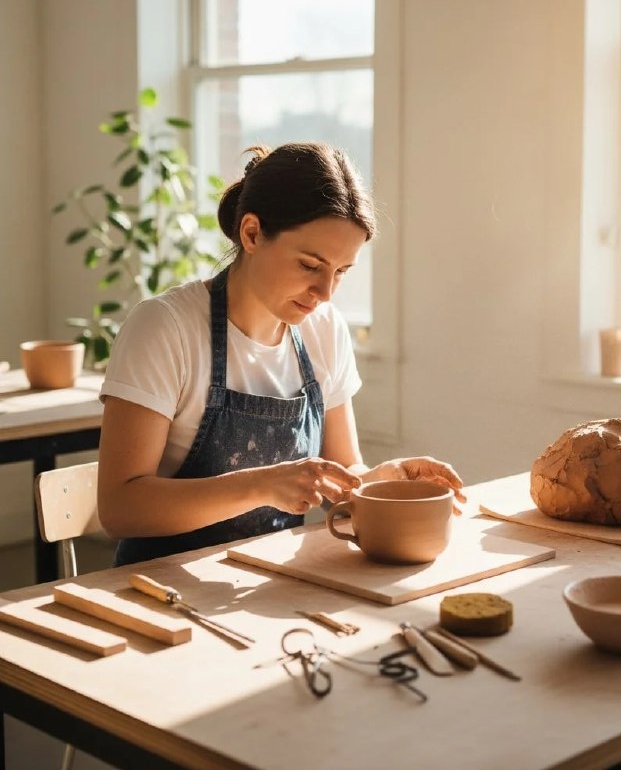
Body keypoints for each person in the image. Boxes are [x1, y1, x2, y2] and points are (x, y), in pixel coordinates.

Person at [97, 142, 464, 566]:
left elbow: (340, 478)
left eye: (341, 272)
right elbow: (119, 508)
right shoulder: (165, 328)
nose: (325, 293)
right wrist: (261, 485)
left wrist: (381, 481)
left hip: (269, 583)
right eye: (310, 265)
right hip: (157, 590)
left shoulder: (324, 330)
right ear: (251, 234)